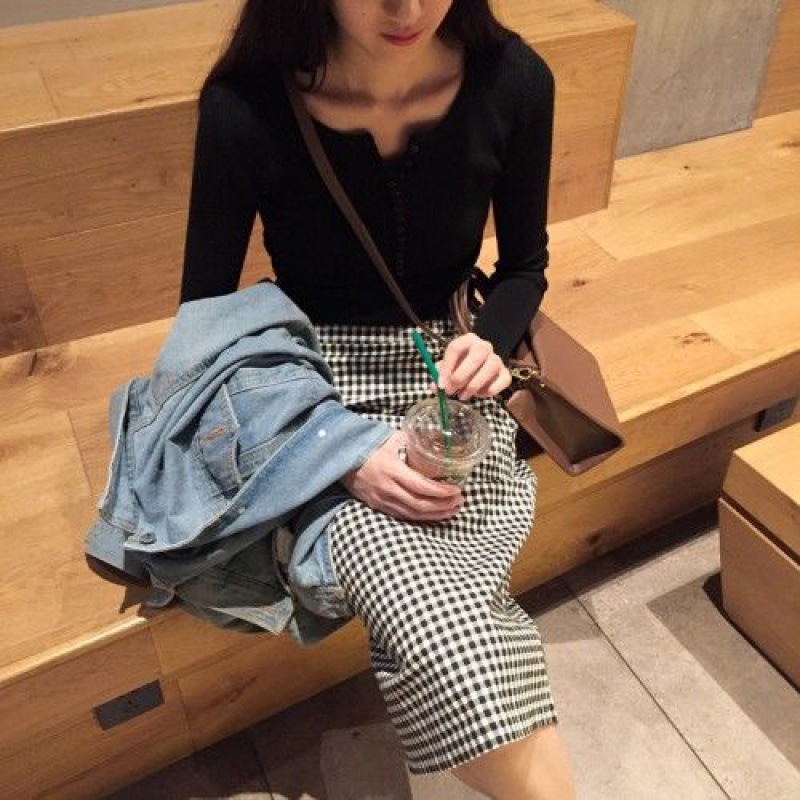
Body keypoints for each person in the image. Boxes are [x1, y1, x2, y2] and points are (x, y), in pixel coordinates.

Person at [180, 1, 577, 797]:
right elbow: (205, 317)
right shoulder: (246, 105)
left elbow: (524, 267)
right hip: (315, 392)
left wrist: (489, 342)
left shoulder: (515, 81)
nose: (408, 9)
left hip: (446, 374)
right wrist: (339, 453)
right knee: (434, 615)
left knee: (453, 609)